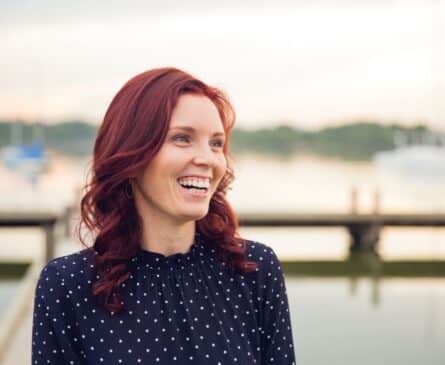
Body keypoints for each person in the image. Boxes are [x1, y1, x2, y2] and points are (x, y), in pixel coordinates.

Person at [31, 67, 296, 364]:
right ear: (132, 154)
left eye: (216, 143)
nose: (208, 159)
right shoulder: (67, 285)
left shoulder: (255, 270)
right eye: (182, 138)